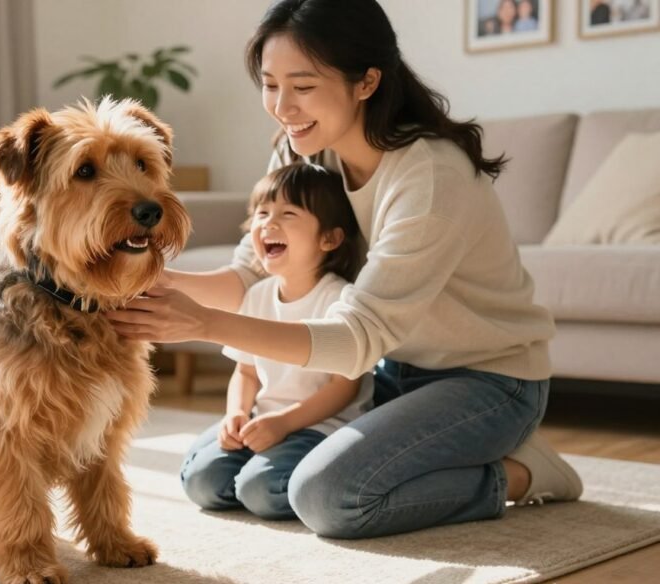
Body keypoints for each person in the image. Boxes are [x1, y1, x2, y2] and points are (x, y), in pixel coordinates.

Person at [107, 0, 583, 539]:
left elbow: (359, 337)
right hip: (384, 375)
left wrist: (203, 324)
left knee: (328, 497)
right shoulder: (300, 150)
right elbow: (253, 273)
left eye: (303, 86)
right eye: (269, 84)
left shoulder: (429, 175)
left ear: (366, 82)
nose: (283, 107)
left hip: (486, 380)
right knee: (208, 477)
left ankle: (523, 472)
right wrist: (144, 275)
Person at [181, 163, 372, 520]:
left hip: (320, 428)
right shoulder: (258, 294)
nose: (268, 224)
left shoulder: (340, 299)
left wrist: (283, 424)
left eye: (287, 214)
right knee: (200, 481)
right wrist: (236, 413)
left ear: (328, 238)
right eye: (261, 213)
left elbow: (343, 389)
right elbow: (246, 372)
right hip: (263, 421)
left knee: (261, 490)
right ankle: (257, 470)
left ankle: (270, 479)